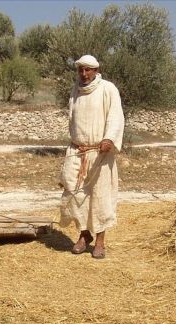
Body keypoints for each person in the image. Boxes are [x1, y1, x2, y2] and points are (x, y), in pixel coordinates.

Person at [59, 54, 125, 259]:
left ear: (96, 70)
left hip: (100, 153)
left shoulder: (108, 89)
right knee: (75, 194)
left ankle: (100, 242)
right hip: (78, 152)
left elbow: (116, 117)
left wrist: (109, 139)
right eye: (81, 69)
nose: (84, 74)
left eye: (88, 69)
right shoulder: (75, 90)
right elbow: (73, 118)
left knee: (100, 196)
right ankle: (83, 235)